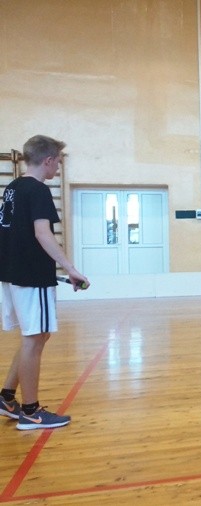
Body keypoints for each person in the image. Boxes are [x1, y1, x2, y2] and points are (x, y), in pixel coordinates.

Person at [1, 135, 90, 430]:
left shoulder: (13, 188)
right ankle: (30, 412)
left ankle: (7, 397)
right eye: (58, 161)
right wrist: (71, 269)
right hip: (31, 276)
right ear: (49, 160)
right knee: (34, 338)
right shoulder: (38, 190)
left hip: (11, 274)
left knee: (37, 336)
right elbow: (43, 233)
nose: (59, 167)